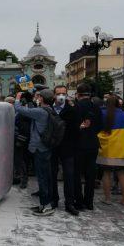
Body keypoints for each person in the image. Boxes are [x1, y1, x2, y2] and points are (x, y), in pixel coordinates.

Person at [15, 89, 54, 216]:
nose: (37, 97)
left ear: (42, 99)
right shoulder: (49, 110)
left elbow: (20, 109)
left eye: (38, 96)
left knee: (42, 177)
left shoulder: (40, 112)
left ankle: (45, 206)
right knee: (45, 176)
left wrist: (17, 98)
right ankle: (45, 203)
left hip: (40, 148)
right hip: (46, 147)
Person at [97, 96, 124, 206]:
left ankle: (107, 199)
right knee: (121, 174)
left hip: (108, 149)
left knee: (106, 173)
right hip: (122, 150)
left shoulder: (103, 113)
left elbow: (99, 128)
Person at [50, 85, 79, 216]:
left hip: (67, 147)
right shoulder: (49, 109)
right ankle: (53, 200)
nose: (61, 96)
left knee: (69, 175)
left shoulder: (72, 110)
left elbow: (75, 130)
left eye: (63, 93)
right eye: (58, 93)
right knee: (52, 174)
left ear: (67, 95)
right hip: (52, 147)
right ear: (54, 95)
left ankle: (69, 203)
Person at [73, 83, 102, 211]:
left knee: (77, 174)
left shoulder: (76, 106)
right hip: (93, 144)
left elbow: (73, 126)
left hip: (79, 144)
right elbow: (101, 125)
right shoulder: (96, 107)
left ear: (78, 94)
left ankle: (78, 202)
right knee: (91, 175)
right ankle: (89, 202)